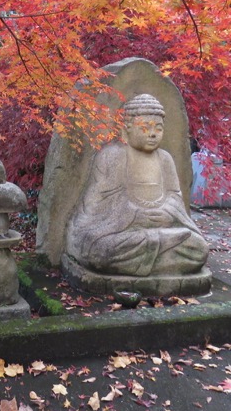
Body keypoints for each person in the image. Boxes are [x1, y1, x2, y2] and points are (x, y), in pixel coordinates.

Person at [67, 94, 209, 277]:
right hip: (122, 232)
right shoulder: (113, 155)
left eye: (158, 129)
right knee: (101, 252)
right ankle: (162, 255)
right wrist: (137, 215)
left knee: (199, 248)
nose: (152, 134)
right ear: (127, 129)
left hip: (160, 229)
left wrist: (166, 212)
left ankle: (156, 253)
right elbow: (97, 206)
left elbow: (175, 199)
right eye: (145, 128)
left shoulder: (164, 159)